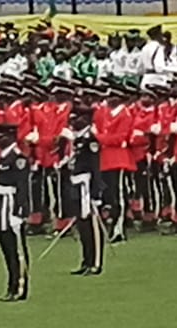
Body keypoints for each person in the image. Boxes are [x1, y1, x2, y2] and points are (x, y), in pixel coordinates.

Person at [0, 121, 31, 301]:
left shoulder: (18, 158)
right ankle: (10, 285)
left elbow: (22, 187)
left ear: (12, 137)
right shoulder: (2, 157)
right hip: (0, 204)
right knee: (6, 247)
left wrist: (19, 211)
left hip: (11, 204)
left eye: (2, 138)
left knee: (17, 249)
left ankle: (19, 286)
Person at [68, 104, 104, 275]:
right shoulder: (79, 140)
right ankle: (85, 260)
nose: (73, 121)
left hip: (88, 186)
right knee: (82, 225)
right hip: (78, 185)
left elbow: (95, 168)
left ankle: (95, 262)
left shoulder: (91, 141)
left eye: (77, 118)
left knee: (92, 225)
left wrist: (96, 193)